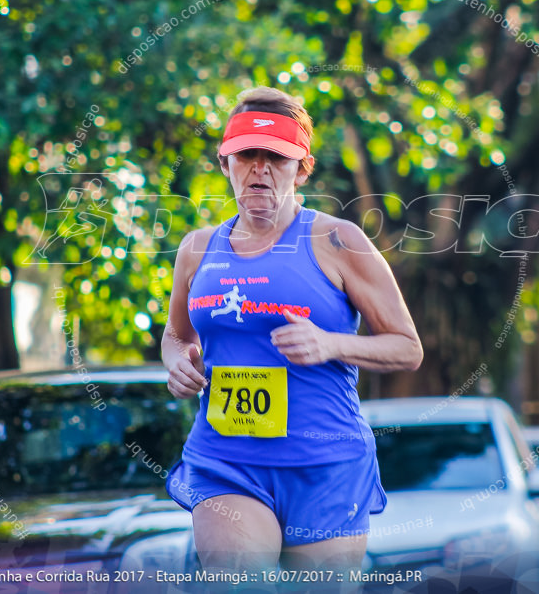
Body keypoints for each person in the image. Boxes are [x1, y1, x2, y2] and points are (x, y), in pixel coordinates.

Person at [162, 86, 423, 574]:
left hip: (324, 464)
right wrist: (177, 362)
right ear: (225, 163)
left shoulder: (337, 240)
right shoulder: (197, 249)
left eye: (275, 158)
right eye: (246, 155)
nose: (259, 168)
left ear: (301, 169)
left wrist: (330, 343)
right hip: (227, 461)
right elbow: (177, 335)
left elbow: (407, 348)